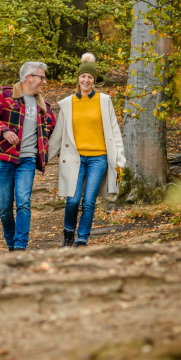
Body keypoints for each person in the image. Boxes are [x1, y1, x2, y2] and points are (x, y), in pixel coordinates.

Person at [48, 53, 126, 247]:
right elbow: (58, 135)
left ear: (94, 80)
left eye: (90, 77)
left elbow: (114, 131)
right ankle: (68, 235)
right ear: (78, 78)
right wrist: (41, 159)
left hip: (98, 158)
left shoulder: (104, 101)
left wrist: (119, 160)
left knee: (89, 201)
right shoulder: (67, 104)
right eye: (83, 76)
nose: (86, 80)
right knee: (73, 200)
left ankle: (82, 238)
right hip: (74, 157)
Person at [0, 61, 56, 251]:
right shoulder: (5, 94)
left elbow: (53, 129)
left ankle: (20, 247)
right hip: (5, 158)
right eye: (42, 77)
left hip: (28, 160)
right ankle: (11, 244)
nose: (44, 82)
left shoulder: (44, 107)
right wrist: (4, 131)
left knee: (24, 202)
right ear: (28, 77)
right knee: (6, 207)